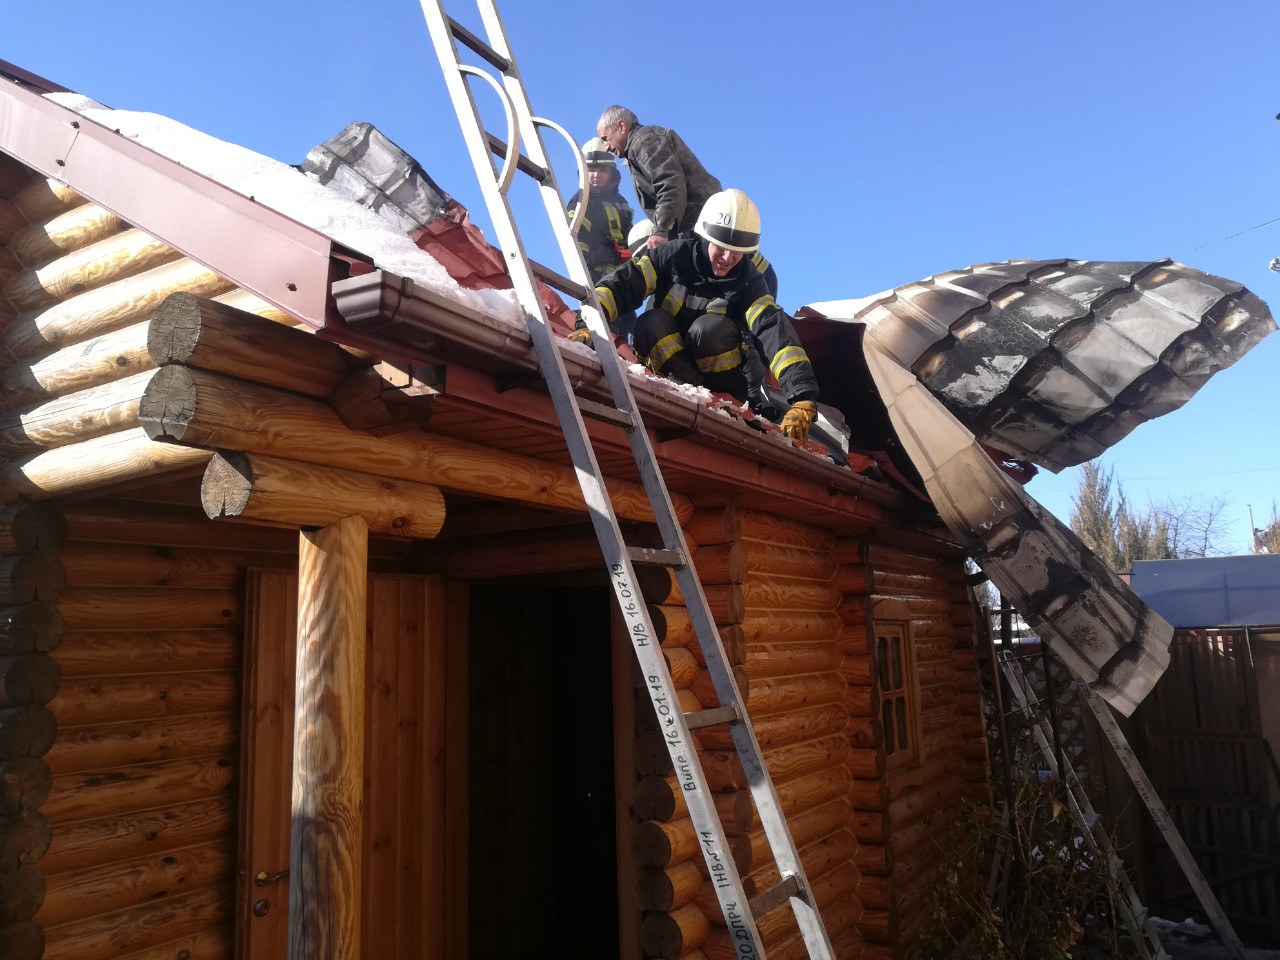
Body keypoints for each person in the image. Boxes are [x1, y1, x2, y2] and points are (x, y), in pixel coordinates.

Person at [570, 189, 819, 443]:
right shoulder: (673, 257)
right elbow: (621, 285)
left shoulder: (749, 281)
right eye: (722, 247)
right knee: (651, 322)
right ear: (705, 236)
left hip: (724, 385)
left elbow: (773, 330)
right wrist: (588, 324)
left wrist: (802, 397)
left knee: (709, 329)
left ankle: (718, 400)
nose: (728, 258)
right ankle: (683, 388)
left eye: (738, 251)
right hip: (671, 374)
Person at [596, 106, 722, 250]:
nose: (606, 147)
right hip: (699, 224)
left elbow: (670, 185)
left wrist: (660, 230)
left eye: (605, 139)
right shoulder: (639, 145)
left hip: (700, 225)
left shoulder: (644, 141)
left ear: (621, 126)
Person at [566, 137, 633, 283]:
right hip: (597, 278)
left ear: (611, 172)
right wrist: (613, 256)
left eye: (601, 169)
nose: (596, 175)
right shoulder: (581, 201)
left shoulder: (621, 202)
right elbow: (576, 243)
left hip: (625, 276)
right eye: (591, 170)